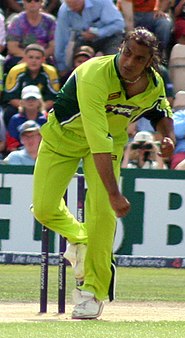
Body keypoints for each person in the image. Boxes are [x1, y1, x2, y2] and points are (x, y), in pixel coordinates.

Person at [32, 27, 175, 320]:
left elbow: (160, 111)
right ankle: (81, 241)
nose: (129, 62)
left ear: (149, 62)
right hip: (64, 137)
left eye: (139, 58)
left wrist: (166, 137)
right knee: (44, 209)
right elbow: (96, 139)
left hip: (111, 142)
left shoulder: (153, 83)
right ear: (120, 48)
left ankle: (93, 292)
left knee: (101, 215)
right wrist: (115, 194)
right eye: (127, 53)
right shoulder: (94, 75)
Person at [54, 0, 125, 81]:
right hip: (84, 40)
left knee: (112, 63)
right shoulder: (64, 11)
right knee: (79, 61)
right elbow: (61, 39)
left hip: (110, 37)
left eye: (75, 2)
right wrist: (62, 67)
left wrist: (98, 32)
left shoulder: (102, 2)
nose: (73, 5)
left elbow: (119, 24)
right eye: (69, 4)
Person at [3, 43, 60, 127]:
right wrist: (28, 108)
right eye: (30, 57)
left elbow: (53, 98)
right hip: (21, 107)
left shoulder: (51, 72)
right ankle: (11, 138)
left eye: (37, 58)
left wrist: (38, 109)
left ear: (43, 59)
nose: (34, 61)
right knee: (9, 112)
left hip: (43, 107)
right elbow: (11, 97)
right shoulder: (15, 71)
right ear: (24, 58)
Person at [5, 0, 56, 73]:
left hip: (44, 57)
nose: (32, 3)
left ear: (42, 2)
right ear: (24, 2)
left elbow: (53, 46)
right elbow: (12, 47)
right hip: (20, 57)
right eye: (29, 1)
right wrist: (30, 58)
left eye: (36, 0)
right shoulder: (16, 20)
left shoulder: (50, 21)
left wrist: (38, 58)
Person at [6, 85, 47, 152]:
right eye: (27, 99)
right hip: (20, 154)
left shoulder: (46, 119)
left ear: (39, 102)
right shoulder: (15, 119)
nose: (30, 101)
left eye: (33, 98)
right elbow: (11, 144)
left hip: (43, 153)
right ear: (22, 102)